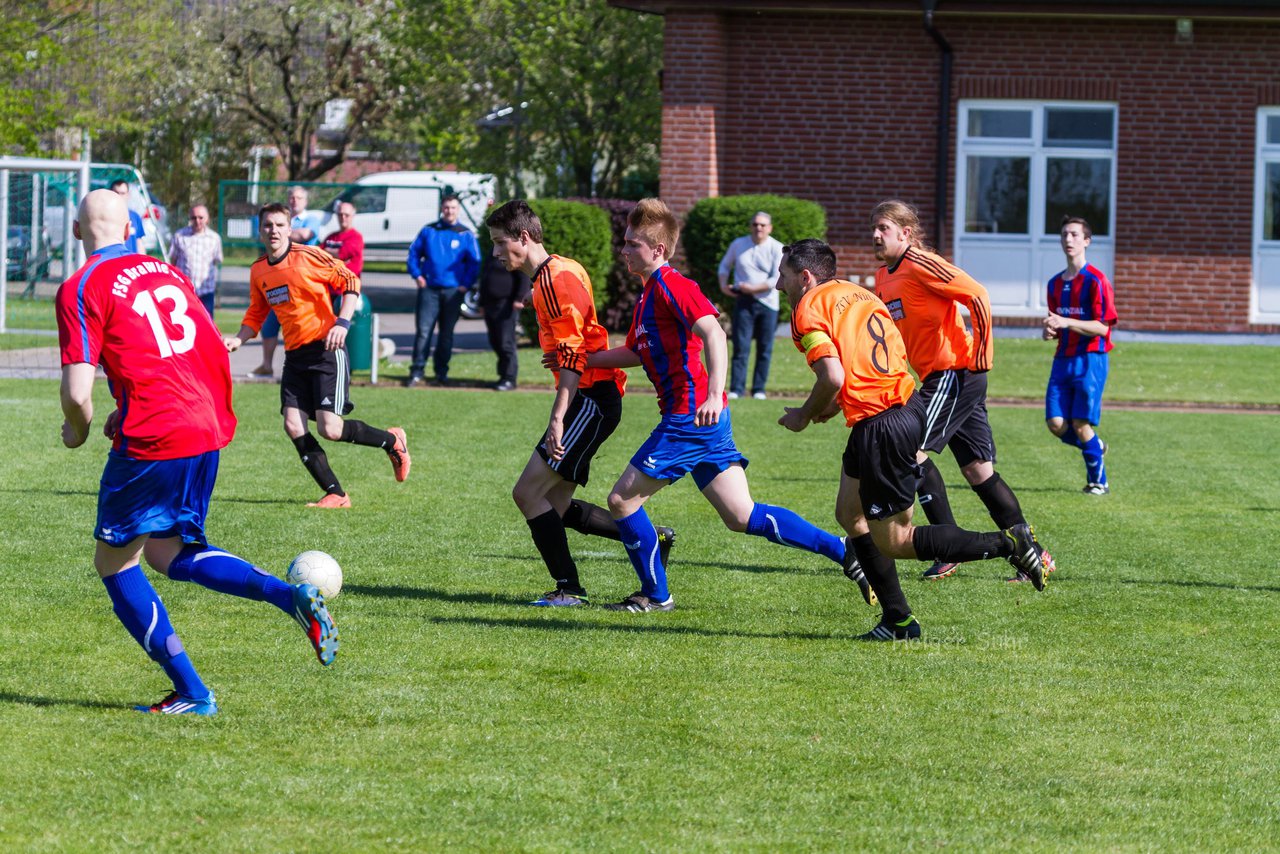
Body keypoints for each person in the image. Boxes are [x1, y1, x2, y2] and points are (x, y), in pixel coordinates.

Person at [54, 189, 338, 716]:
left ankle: (192, 692)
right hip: (204, 424)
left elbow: (76, 395)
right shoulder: (169, 272)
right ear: (134, 229)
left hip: (157, 434)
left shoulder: (80, 285)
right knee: (167, 552)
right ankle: (286, 595)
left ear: (76, 232)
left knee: (115, 563)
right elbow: (199, 346)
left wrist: (77, 431)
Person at [585, 198, 870, 613]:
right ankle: (843, 550)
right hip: (702, 421)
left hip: (691, 416)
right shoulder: (649, 295)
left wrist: (717, 393)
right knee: (741, 515)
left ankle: (655, 595)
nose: (624, 250)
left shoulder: (674, 286)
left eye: (632, 244)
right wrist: (583, 359)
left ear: (658, 250)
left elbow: (715, 333)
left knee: (622, 502)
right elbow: (635, 351)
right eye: (625, 243)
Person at [776, 239, 1049, 640]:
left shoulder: (807, 308)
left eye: (782, 276)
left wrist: (803, 414)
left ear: (805, 277)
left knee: (896, 541)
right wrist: (837, 404)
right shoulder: (860, 293)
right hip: (901, 405)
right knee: (849, 514)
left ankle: (1009, 544)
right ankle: (898, 620)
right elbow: (870, 358)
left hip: (881, 425)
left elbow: (832, 375)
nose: (778, 286)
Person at [487, 200, 676, 605]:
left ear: (524, 237)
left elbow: (573, 353)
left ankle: (569, 590)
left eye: (501, 242)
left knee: (527, 494)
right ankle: (654, 539)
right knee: (555, 502)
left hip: (590, 399)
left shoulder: (554, 280)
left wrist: (558, 417)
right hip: (593, 397)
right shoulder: (558, 270)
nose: (496, 252)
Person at [871, 199, 1055, 584]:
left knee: (910, 450)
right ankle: (1033, 556)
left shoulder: (922, 263)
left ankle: (944, 550)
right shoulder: (883, 276)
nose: (875, 234)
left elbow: (977, 294)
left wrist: (983, 353)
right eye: (874, 227)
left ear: (905, 233)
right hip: (939, 377)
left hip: (955, 374)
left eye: (884, 228)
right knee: (977, 469)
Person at [224, 203, 411, 508]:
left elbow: (350, 281)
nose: (274, 231)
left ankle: (393, 442)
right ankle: (336, 494)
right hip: (295, 356)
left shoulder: (308, 256)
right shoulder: (259, 270)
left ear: (289, 227)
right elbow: (256, 313)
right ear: (260, 231)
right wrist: (238, 339)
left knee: (330, 430)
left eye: (279, 225)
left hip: (326, 349)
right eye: (268, 226)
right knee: (293, 425)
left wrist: (343, 321)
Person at [1044, 215, 1117, 495]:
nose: (1068, 239)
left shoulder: (1096, 281)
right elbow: (1056, 324)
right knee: (1056, 424)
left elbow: (1102, 327)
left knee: (1080, 422)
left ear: (1086, 241)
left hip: (1090, 359)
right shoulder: (1054, 284)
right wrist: (1051, 330)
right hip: (1063, 359)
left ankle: (1099, 482)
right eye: (1064, 234)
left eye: (1074, 235)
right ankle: (1096, 447)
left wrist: (1066, 322)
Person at [250, 186, 326, 379]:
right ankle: (266, 365)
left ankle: (309, 368)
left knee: (301, 325)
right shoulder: (279, 220)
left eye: (299, 198)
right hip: (277, 278)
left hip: (302, 283)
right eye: (291, 197)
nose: (294, 201)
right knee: (269, 322)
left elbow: (304, 236)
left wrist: (275, 231)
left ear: (305, 201)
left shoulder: (311, 219)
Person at [406, 194, 481, 386]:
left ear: (458, 210)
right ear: (441, 208)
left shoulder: (465, 234)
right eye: (446, 207)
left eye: (453, 208)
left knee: (446, 334)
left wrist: (465, 283)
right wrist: (417, 275)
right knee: (423, 332)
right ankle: (417, 371)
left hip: (453, 292)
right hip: (429, 289)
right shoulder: (429, 231)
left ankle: (441, 373)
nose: (449, 211)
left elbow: (474, 263)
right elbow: (413, 254)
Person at [718, 211, 783, 400]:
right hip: (744, 302)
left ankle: (758, 390)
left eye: (763, 225)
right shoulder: (738, 244)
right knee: (741, 346)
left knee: (765, 347)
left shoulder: (777, 248)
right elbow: (724, 266)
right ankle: (737, 389)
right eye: (755, 224)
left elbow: (776, 279)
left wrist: (753, 288)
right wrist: (723, 285)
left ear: (769, 228)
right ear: (750, 226)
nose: (758, 228)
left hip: (768, 303)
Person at [478, 252, 531, 391]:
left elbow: (523, 276)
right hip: (490, 304)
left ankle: (509, 378)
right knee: (495, 341)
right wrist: (481, 303)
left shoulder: (512, 255)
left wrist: (519, 297)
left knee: (505, 342)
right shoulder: (492, 255)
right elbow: (484, 278)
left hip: (506, 304)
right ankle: (502, 376)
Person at [168, 204, 223, 317]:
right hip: (185, 291)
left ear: (207, 219)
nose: (197, 221)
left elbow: (216, 260)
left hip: (206, 291)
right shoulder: (180, 236)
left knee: (207, 325)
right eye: (194, 218)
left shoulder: (214, 238)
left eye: (200, 217)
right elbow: (173, 261)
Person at [322, 202, 364, 278]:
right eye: (340, 214)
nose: (343, 217)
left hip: (348, 285)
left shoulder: (356, 237)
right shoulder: (331, 237)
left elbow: (341, 255)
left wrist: (326, 251)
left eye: (346, 215)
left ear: (352, 216)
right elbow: (318, 254)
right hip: (329, 284)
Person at [109, 179, 146, 255]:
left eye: (122, 193)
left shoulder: (135, 217)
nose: (119, 196)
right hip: (113, 262)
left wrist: (142, 260)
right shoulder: (105, 216)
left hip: (131, 263)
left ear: (128, 195)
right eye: (116, 193)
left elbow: (139, 242)